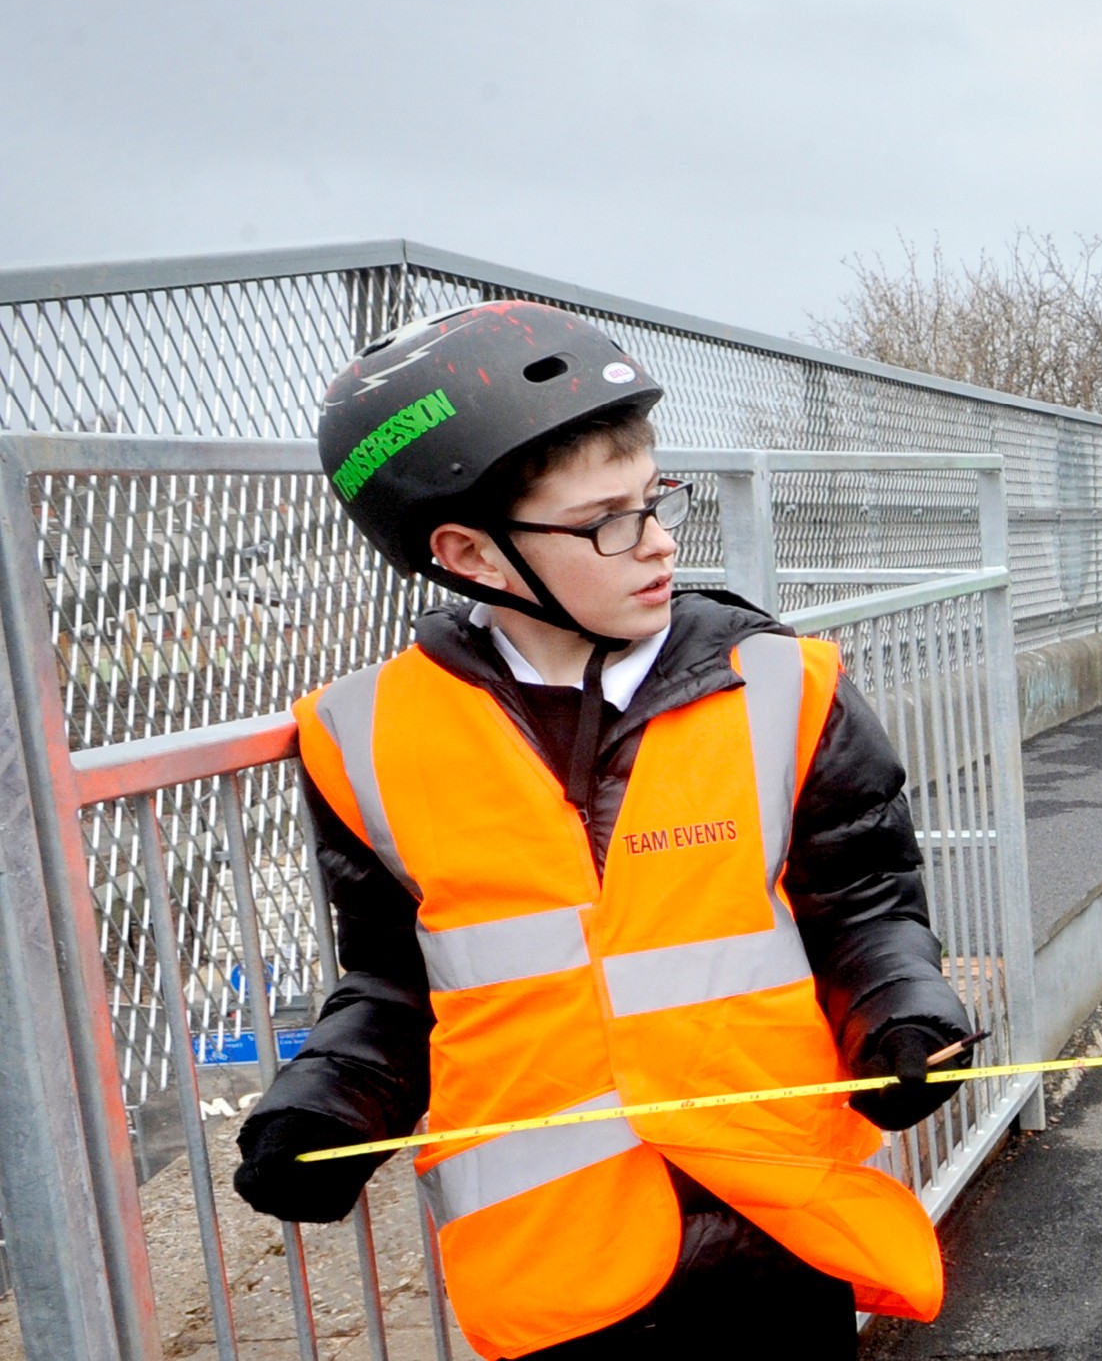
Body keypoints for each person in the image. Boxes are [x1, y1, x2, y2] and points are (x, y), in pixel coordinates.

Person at [229, 301, 974, 1359]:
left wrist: (902, 1012)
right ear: (470, 553)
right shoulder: (366, 736)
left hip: (772, 1225)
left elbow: (865, 901)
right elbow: (398, 975)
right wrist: (327, 1104)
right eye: (607, 519)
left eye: (654, 499)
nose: (657, 542)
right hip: (555, 1264)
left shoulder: (783, 686)